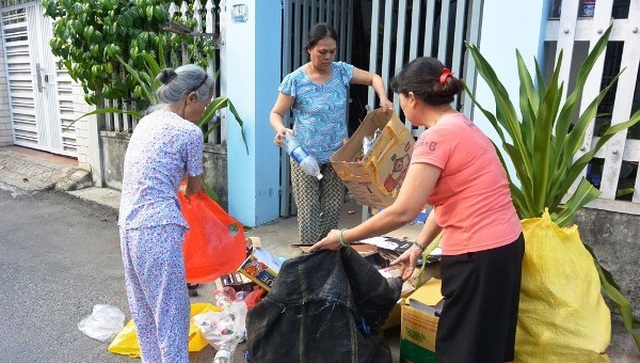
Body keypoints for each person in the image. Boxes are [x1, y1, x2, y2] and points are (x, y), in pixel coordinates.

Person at [309, 57, 524, 363]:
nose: (401, 108)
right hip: (506, 247)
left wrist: (343, 235)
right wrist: (418, 246)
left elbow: (403, 211)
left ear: (412, 97)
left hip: (477, 255)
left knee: (461, 347)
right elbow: (450, 200)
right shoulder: (463, 125)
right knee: (487, 341)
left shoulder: (434, 139)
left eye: (400, 99)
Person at [118, 64, 213, 363]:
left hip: (128, 225)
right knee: (172, 316)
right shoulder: (189, 132)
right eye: (204, 106)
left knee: (145, 313)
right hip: (158, 227)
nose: (203, 113)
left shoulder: (146, 123)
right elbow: (194, 188)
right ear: (191, 98)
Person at [270, 22, 394, 245]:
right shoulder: (295, 80)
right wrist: (281, 129)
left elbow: (374, 78)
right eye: (322, 52)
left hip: (338, 155)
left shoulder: (342, 71)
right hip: (304, 156)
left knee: (332, 208)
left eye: (332, 51)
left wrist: (383, 98)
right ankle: (308, 258)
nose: (328, 57)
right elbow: (276, 113)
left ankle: (326, 255)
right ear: (309, 49)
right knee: (308, 211)